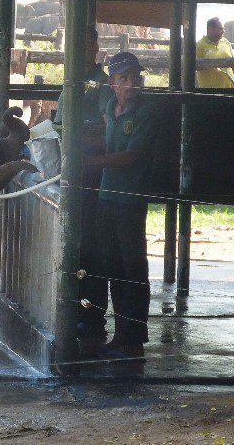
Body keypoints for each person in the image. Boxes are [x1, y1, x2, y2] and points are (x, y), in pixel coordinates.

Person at [84, 52, 158, 360]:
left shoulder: (145, 114)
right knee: (112, 266)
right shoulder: (109, 108)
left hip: (130, 200)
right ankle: (121, 334)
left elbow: (130, 156)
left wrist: (89, 162)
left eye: (136, 78)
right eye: (124, 79)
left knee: (133, 269)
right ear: (113, 83)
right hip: (106, 198)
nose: (132, 84)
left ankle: (134, 338)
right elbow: (106, 132)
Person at [54, 26, 114, 356]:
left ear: (94, 47)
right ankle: (75, 311)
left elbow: (109, 129)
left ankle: (92, 318)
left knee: (91, 248)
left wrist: (80, 143)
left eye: (85, 45)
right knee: (75, 248)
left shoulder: (100, 84)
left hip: (91, 176)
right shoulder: (74, 80)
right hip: (73, 172)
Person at [196, 17, 234, 89]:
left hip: (230, 89)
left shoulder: (226, 42)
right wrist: (212, 65)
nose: (223, 31)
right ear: (210, 29)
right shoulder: (200, 45)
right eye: (220, 29)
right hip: (209, 91)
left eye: (223, 28)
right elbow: (195, 66)